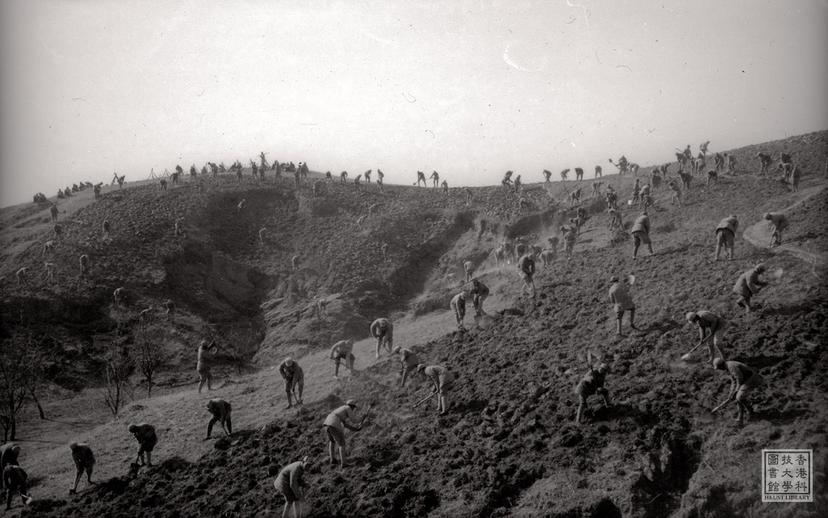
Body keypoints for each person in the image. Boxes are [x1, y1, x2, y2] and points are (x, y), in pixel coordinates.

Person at [712, 359, 763, 425]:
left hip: (751, 379)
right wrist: (731, 394)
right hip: (745, 380)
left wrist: (736, 390)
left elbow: (739, 378)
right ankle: (747, 414)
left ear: (721, 365)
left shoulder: (731, 366)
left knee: (739, 398)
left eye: (719, 368)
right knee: (738, 398)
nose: (720, 369)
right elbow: (734, 381)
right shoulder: (728, 367)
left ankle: (745, 415)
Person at [323, 400, 363, 468]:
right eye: (353, 408)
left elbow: (345, 425)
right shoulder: (348, 408)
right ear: (352, 406)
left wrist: (355, 429)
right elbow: (354, 420)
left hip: (327, 423)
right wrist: (362, 418)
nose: (353, 409)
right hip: (334, 424)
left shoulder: (341, 410)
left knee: (332, 441)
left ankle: (332, 459)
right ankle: (344, 463)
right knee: (342, 444)